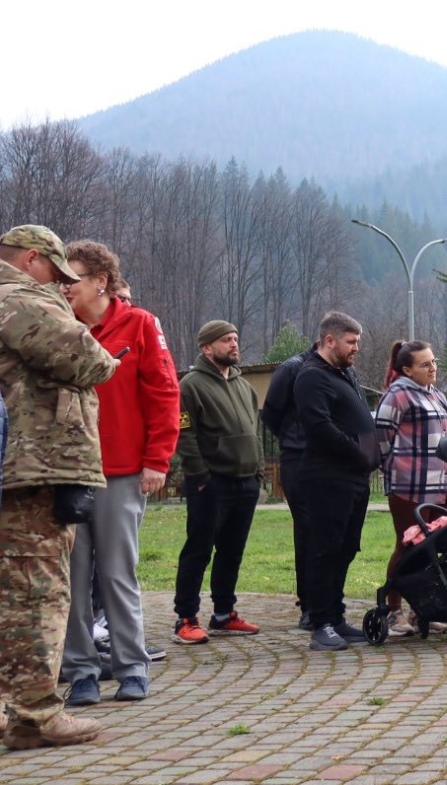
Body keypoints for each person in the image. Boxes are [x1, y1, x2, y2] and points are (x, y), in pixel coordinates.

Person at [0, 224, 118, 750]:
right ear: (31, 261)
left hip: (24, 464)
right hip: (34, 466)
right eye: (57, 274)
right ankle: (36, 715)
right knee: (37, 589)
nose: (64, 287)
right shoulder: (19, 299)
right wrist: (99, 347)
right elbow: (85, 359)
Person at [59, 240, 180, 706]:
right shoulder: (58, 328)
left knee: (115, 573)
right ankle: (82, 670)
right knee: (72, 574)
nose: (66, 288)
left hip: (122, 471)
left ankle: (132, 667)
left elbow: (164, 394)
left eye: (73, 279)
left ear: (100, 281)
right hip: (68, 472)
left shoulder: (140, 324)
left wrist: (157, 460)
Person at [172, 321, 263, 644]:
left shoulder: (243, 386)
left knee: (232, 551)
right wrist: (200, 476)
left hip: (245, 482)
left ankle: (224, 613)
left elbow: (255, 432)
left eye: (236, 338)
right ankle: (186, 617)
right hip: (211, 484)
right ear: (207, 348)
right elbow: (184, 432)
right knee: (198, 550)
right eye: (226, 340)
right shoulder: (191, 385)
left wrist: (258, 472)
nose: (234, 344)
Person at [294, 311, 378, 651]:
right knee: (324, 549)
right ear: (330, 340)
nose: (356, 348)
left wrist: (374, 455)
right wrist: (359, 454)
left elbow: (359, 420)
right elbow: (320, 428)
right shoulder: (311, 377)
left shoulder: (345, 374)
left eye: (357, 341)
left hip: (354, 479)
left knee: (345, 548)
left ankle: (337, 615)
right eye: (351, 342)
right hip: (327, 477)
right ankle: (320, 623)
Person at [375, 340, 447, 635]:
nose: (432, 368)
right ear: (407, 369)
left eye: (434, 362)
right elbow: (382, 438)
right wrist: (395, 468)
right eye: (425, 364)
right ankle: (392, 610)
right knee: (407, 547)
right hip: (408, 488)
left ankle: (421, 610)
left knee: (430, 551)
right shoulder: (397, 395)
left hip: (439, 486)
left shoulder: (437, 394)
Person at [261, 340, 318, 631]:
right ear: (326, 340)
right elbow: (271, 413)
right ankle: (308, 604)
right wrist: (293, 439)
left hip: (328, 460)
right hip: (298, 458)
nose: (354, 349)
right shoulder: (292, 368)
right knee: (307, 529)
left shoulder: (338, 370)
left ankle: (328, 599)